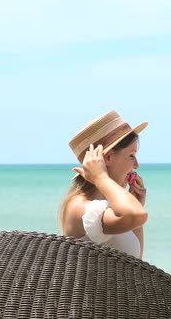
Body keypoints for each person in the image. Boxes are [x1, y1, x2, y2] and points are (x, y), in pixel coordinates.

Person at [59, 110, 149, 259]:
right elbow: (136, 215)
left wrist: (136, 203)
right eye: (131, 155)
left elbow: (136, 264)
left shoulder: (111, 209)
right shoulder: (79, 208)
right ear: (108, 158)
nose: (136, 165)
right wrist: (100, 177)